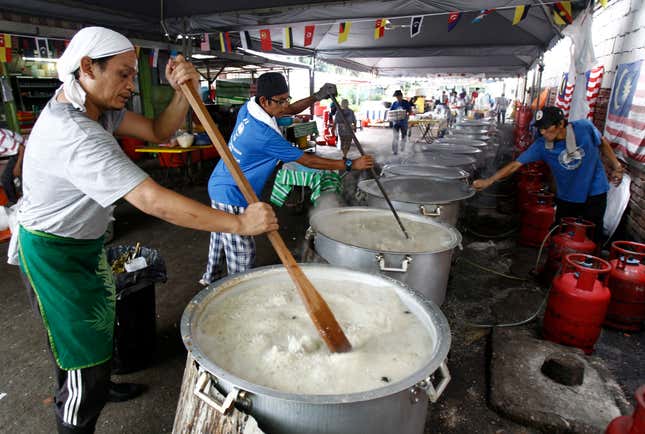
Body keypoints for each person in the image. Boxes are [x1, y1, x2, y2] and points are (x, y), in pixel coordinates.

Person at [14, 27, 278, 434]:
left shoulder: (95, 109)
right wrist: (240, 222)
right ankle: (80, 409)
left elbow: (159, 131)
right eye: (122, 74)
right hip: (53, 255)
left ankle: (97, 384)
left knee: (93, 333)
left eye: (133, 75)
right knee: (77, 349)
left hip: (82, 246)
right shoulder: (75, 133)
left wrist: (180, 92)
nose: (130, 85)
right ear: (87, 67)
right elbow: (153, 201)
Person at [201, 72, 374, 286]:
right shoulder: (263, 134)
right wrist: (349, 164)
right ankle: (240, 289)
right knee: (242, 254)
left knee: (220, 235)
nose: (285, 106)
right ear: (265, 100)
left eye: (286, 98)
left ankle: (210, 279)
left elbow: (290, 110)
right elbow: (309, 162)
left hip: (218, 181)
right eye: (280, 101)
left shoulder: (250, 107)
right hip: (232, 193)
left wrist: (317, 96)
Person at [472, 107, 624, 243]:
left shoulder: (584, 128)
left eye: (546, 128)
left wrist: (616, 165)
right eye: (540, 129)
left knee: (592, 234)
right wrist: (489, 181)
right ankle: (559, 268)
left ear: (561, 124)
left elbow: (602, 142)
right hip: (568, 195)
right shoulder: (541, 145)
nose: (543, 132)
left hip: (594, 191)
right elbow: (515, 165)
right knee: (561, 233)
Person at [0, 128, 26, 204]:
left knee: (20, 180)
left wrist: (17, 166)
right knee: (6, 179)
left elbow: (22, 148)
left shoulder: (1, 137)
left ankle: (24, 202)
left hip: (25, 152)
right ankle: (13, 202)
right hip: (15, 154)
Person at [390, 89, 412, 155]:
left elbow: (410, 111)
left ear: (401, 96)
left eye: (398, 96)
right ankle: (395, 151)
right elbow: (391, 112)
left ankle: (402, 149)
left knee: (404, 136)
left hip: (403, 123)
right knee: (395, 137)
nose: (397, 98)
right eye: (396, 97)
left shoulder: (406, 103)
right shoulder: (394, 103)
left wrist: (407, 115)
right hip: (396, 123)